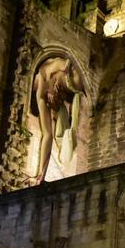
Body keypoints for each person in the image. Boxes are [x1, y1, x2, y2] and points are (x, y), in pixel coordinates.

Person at [31, 56, 85, 184]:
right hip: (74, 83)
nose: (58, 101)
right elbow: (47, 135)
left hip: (72, 74)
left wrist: (50, 84)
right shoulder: (43, 98)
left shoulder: (44, 73)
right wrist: (41, 175)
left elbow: (66, 63)